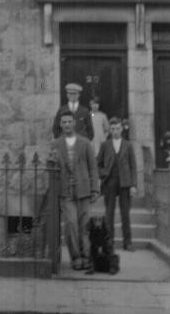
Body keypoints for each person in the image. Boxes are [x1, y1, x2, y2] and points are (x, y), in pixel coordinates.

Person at [51, 111, 100, 270]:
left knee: (84, 225)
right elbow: (52, 166)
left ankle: (86, 256)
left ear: (74, 123)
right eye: (63, 122)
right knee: (71, 224)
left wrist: (95, 189)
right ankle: (76, 257)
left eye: (69, 122)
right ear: (60, 124)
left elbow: (93, 168)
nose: (66, 125)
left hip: (84, 190)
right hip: (66, 192)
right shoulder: (56, 144)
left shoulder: (85, 143)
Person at [96, 117, 137, 252]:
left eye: (117, 128)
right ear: (110, 130)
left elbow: (133, 166)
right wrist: (103, 174)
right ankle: (109, 242)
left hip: (125, 182)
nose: (115, 131)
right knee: (109, 213)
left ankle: (128, 242)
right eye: (112, 129)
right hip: (110, 181)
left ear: (121, 129)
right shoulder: (105, 145)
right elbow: (98, 164)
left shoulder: (128, 145)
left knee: (125, 213)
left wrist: (133, 185)